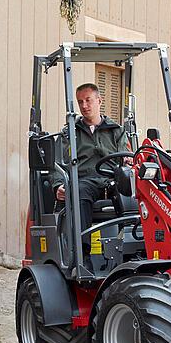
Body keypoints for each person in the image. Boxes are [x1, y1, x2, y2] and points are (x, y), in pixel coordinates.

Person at [52, 83, 128, 269]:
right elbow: (57, 162)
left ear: (99, 101)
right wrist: (58, 185)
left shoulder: (116, 130)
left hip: (112, 179)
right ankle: (81, 256)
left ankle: (130, 251)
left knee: (132, 193)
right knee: (78, 192)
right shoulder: (70, 133)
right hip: (85, 181)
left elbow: (125, 157)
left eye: (88, 100)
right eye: (80, 102)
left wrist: (127, 164)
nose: (84, 106)